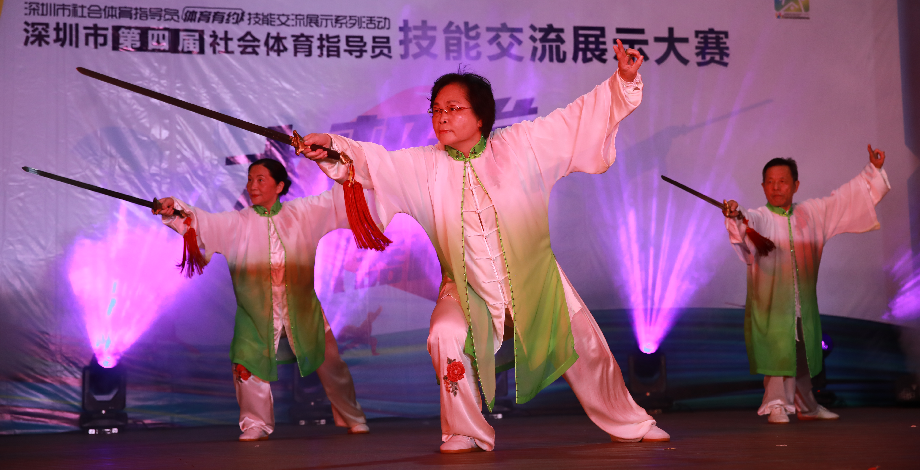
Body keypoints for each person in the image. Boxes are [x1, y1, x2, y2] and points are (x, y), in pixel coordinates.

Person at [294, 40, 669, 453]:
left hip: (535, 278)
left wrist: (623, 80)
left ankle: (630, 422)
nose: (441, 116)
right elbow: (371, 163)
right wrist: (331, 146)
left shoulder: (523, 145)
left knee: (587, 348)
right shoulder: (421, 165)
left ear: (481, 116)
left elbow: (579, 117)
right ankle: (464, 429)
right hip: (465, 287)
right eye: (436, 109)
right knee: (444, 333)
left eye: (453, 108)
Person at [154, 158, 370, 441]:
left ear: (279, 186)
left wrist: (343, 165)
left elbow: (335, 200)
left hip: (302, 307)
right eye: (250, 179)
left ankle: (353, 416)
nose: (252, 186)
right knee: (247, 361)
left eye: (260, 180)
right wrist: (175, 209)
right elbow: (203, 222)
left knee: (331, 363)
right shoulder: (237, 222)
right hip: (256, 311)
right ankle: (254, 423)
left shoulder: (303, 213)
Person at [722, 146, 890, 424]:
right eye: (770, 182)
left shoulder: (812, 213)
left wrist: (873, 170)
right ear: (763, 186)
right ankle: (777, 404)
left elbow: (846, 199)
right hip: (773, 304)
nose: (776, 187)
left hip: (802, 301)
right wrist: (735, 215)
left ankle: (807, 406)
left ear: (796, 185)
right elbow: (746, 224)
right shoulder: (761, 217)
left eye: (782, 181)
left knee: (800, 355)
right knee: (778, 350)